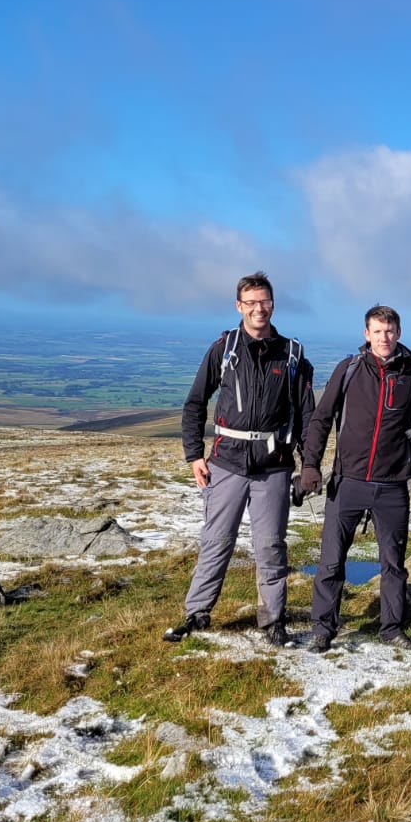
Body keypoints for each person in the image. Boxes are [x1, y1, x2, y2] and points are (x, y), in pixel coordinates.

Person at [166, 271, 315, 647]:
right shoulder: (225, 349)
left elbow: (309, 416)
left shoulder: (292, 354)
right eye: (251, 303)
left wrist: (309, 466)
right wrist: (193, 455)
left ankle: (273, 621)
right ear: (239, 306)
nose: (258, 309)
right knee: (216, 540)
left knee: (270, 545)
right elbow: (195, 403)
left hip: (274, 466)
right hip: (226, 462)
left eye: (264, 302)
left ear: (272, 304)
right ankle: (197, 613)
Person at [297, 305, 411, 653]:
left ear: (399, 333)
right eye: (377, 331)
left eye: (390, 331)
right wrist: (311, 465)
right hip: (347, 482)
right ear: (366, 334)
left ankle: (392, 628)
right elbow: (321, 418)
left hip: (392, 486)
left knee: (393, 564)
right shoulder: (349, 370)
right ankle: (323, 629)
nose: (384, 338)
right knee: (331, 561)